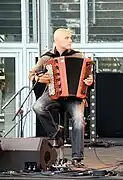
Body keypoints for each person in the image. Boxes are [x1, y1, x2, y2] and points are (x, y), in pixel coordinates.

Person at [28, 28, 94, 167]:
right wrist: (39, 78)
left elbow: (89, 77)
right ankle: (56, 133)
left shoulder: (79, 56)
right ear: (57, 40)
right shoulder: (46, 58)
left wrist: (90, 81)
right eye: (67, 38)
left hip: (73, 97)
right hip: (53, 95)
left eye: (71, 38)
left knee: (78, 119)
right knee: (38, 106)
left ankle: (77, 157)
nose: (70, 40)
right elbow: (31, 74)